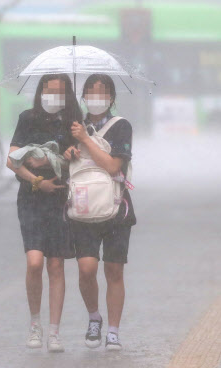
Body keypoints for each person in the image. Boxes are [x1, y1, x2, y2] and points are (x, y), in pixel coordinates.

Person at [7, 73, 82, 353]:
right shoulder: (28, 118)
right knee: (35, 262)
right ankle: (35, 324)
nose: (54, 95)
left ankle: (54, 332)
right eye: (50, 90)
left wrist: (73, 153)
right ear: (41, 92)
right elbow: (11, 160)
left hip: (61, 199)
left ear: (67, 95)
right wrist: (37, 181)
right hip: (32, 198)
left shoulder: (73, 121)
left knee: (56, 265)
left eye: (60, 91)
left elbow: (82, 157)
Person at [64, 73, 135, 352]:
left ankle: (113, 332)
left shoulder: (121, 127)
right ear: (83, 97)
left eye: (102, 92)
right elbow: (64, 164)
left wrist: (85, 139)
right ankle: (94, 317)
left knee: (114, 269)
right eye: (91, 92)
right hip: (82, 207)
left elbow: (113, 166)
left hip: (116, 207)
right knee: (86, 268)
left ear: (111, 98)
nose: (96, 98)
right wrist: (69, 150)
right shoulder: (73, 126)